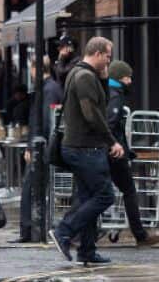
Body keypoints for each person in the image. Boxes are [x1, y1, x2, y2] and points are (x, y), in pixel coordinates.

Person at [49, 36, 122, 266]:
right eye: (107, 56)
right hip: (85, 148)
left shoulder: (84, 74)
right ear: (97, 53)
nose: (109, 61)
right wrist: (112, 141)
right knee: (105, 195)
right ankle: (64, 231)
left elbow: (102, 103)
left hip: (82, 147)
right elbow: (93, 115)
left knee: (89, 198)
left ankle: (87, 251)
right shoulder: (84, 77)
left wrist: (104, 78)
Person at [106, 60, 159, 247]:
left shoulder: (108, 91)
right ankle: (140, 236)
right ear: (119, 78)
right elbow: (110, 125)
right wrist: (117, 146)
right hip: (114, 155)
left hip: (109, 152)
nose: (130, 81)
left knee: (93, 192)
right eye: (127, 77)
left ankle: (75, 234)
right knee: (129, 191)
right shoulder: (115, 96)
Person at [13, 50, 67, 244]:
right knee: (34, 187)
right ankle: (30, 229)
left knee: (30, 187)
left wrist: (32, 146)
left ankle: (29, 229)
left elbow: (44, 121)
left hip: (42, 147)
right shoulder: (48, 88)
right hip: (43, 145)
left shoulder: (48, 90)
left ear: (35, 68)